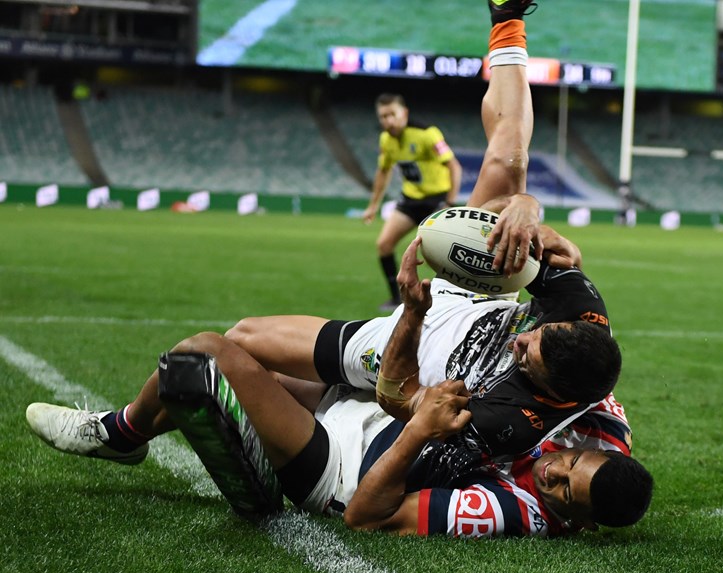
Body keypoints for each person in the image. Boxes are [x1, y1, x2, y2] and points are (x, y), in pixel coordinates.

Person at [225, 3, 620, 461]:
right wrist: (527, 210)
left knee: (242, 342)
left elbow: (405, 400)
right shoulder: (583, 317)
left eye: (529, 357)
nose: (520, 342)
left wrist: (412, 318)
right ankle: (507, 20)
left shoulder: (512, 420)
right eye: (536, 338)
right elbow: (546, 248)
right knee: (508, 159)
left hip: (403, 344)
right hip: (480, 295)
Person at [25, 331, 651, 537]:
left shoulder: (513, 511)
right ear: (595, 447)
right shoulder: (598, 419)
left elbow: (369, 514)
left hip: (342, 467)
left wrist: (419, 432)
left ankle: (119, 434)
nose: (552, 475)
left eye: (565, 493)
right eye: (571, 467)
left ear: (576, 519)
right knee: (246, 351)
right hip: (366, 412)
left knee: (205, 354)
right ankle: (149, 439)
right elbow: (583, 353)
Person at [362, 93, 463, 311]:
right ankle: (395, 298)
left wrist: (450, 202)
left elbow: (454, 166)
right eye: (382, 116)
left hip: (437, 202)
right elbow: (383, 171)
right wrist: (373, 205)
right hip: (410, 200)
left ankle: (453, 304)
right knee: (384, 245)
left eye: (392, 114)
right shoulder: (385, 140)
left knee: (445, 256)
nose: (387, 121)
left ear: (404, 113)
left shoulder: (428, 134)